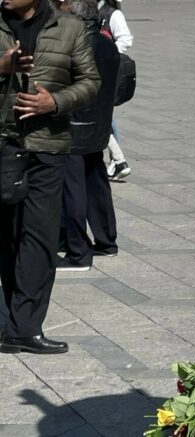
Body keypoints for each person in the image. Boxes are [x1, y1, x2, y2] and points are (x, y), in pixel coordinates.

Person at [0, 0, 100, 354]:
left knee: (40, 237)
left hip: (47, 147)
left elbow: (91, 81)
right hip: (4, 145)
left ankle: (24, 328)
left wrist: (54, 103)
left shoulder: (69, 27)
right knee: (8, 236)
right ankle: (14, 317)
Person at [55, 0, 120, 272]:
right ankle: (106, 241)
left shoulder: (74, 44)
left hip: (73, 127)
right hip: (98, 126)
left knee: (73, 189)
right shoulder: (107, 43)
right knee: (97, 182)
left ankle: (78, 252)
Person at [98, 0, 131, 181]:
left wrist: (106, 54)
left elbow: (126, 39)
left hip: (105, 72)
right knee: (105, 116)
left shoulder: (111, 13)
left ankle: (118, 160)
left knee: (103, 116)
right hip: (88, 70)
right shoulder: (82, 9)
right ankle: (117, 160)